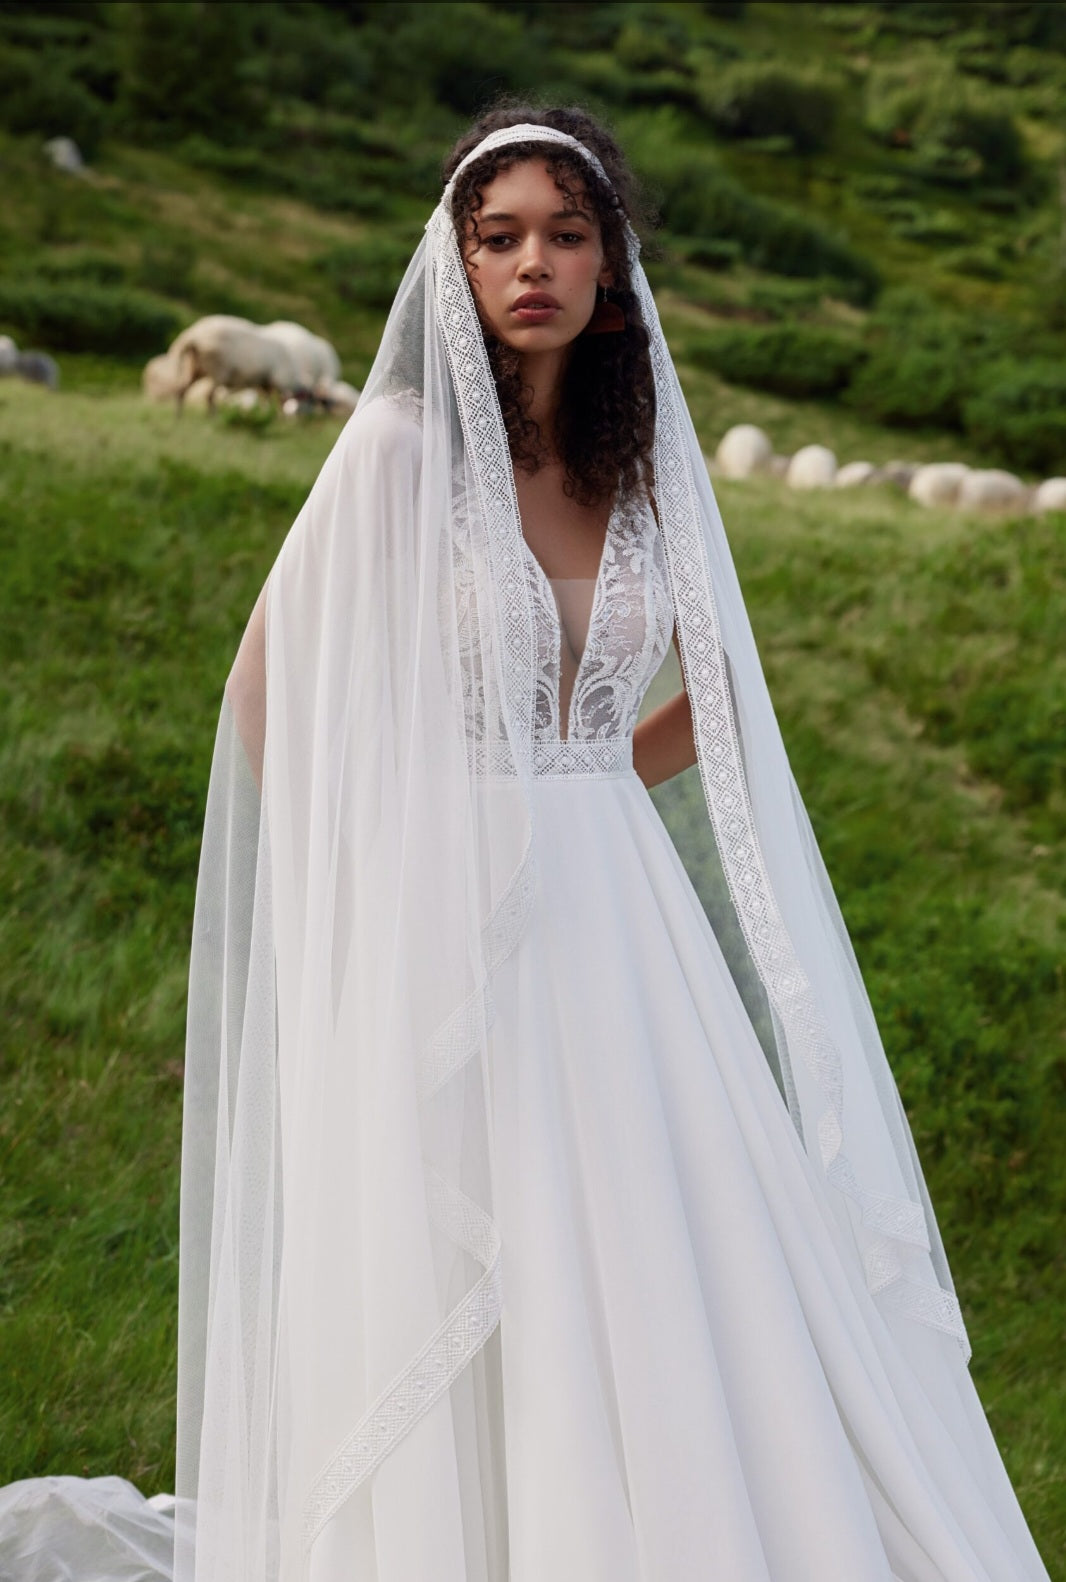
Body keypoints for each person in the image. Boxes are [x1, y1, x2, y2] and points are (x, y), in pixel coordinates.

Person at [0, 106, 1050, 1582]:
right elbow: (262, 693)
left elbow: (728, 694)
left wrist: (590, 775)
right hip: (452, 902)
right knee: (491, 1235)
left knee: (651, 1234)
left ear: (613, 263)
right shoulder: (396, 450)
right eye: (498, 237)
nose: (532, 264)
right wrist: (394, 854)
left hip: (622, 914)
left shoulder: (645, 463)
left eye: (567, 232)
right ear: (457, 259)